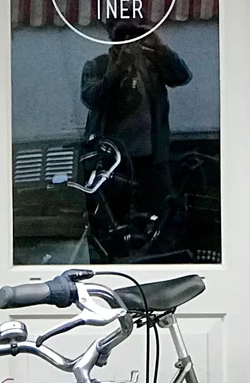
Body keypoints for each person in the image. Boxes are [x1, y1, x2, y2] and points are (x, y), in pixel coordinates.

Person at [79, 22, 191, 255]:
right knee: (114, 225)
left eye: (135, 34)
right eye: (123, 35)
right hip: (113, 165)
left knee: (162, 218)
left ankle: (158, 259)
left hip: (152, 158)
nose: (130, 41)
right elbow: (91, 98)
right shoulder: (97, 65)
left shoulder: (151, 64)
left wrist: (160, 47)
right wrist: (117, 69)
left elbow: (182, 76)